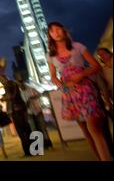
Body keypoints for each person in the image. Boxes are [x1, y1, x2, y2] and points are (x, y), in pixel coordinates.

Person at [47, 22, 111, 161]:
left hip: (85, 89)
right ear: (50, 36)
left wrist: (81, 75)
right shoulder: (51, 56)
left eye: (58, 29)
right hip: (69, 93)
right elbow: (53, 76)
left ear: (64, 31)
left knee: (93, 126)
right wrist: (61, 86)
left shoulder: (78, 47)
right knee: (87, 132)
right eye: (52, 31)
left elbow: (96, 66)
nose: (56, 32)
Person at [0, 74, 32, 157]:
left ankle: (27, 151)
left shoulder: (7, 85)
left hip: (15, 110)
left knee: (21, 131)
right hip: (22, 107)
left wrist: (3, 98)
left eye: (1, 80)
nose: (1, 82)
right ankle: (35, 149)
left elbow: (10, 96)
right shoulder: (14, 83)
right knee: (27, 129)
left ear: (4, 79)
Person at [16, 78, 53, 149]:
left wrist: (31, 98)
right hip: (29, 112)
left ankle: (47, 143)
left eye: (21, 84)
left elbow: (39, 94)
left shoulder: (30, 88)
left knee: (42, 127)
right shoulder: (20, 93)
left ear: (23, 83)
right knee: (34, 129)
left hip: (37, 110)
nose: (20, 86)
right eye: (19, 85)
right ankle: (39, 145)